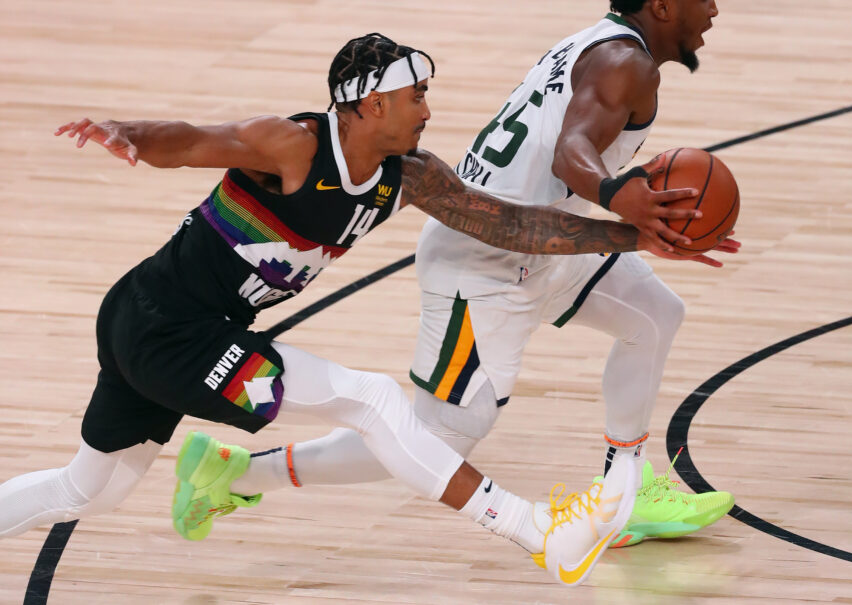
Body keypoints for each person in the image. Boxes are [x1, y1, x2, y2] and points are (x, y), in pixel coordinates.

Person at [0, 32, 705, 586]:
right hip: (160, 327)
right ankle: (535, 532)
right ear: (370, 105)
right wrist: (127, 131)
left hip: (181, 330)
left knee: (83, 490)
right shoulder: (295, 145)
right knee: (368, 398)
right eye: (416, 96)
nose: (429, 109)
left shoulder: (411, 175)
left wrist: (629, 234)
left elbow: (512, 226)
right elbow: (190, 138)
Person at [207, 0, 739, 551]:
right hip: (486, 260)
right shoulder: (627, 63)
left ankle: (623, 490)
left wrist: (624, 219)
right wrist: (620, 196)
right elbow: (573, 153)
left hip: (548, 240)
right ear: (661, 6)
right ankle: (240, 474)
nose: (713, 8)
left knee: (653, 314)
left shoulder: (601, 43)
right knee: (439, 438)